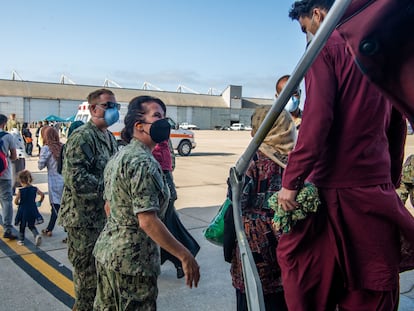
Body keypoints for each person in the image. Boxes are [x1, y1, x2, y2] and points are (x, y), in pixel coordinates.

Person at [276, 1, 414, 310]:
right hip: (374, 191)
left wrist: (291, 181)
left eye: (305, 28)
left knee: (309, 276)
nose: (307, 36)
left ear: (319, 14)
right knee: (373, 286)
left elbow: (316, 122)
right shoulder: (376, 47)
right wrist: (387, 182)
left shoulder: (325, 49)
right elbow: (396, 125)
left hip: (334, 192)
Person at [93, 95, 200, 310]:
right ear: (139, 126)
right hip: (133, 263)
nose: (164, 123)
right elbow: (147, 221)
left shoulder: (120, 155)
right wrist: (184, 255)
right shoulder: (143, 163)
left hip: (108, 253)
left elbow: (109, 207)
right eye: (158, 117)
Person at [223, 107, 296, 311]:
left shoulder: (252, 159)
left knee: (253, 298)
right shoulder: (297, 158)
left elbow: (236, 201)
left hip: (256, 244)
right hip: (289, 239)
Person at [57, 89, 119, 311]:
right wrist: (111, 192)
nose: (114, 111)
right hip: (83, 221)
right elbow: (76, 179)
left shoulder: (109, 138)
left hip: (102, 220)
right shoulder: (82, 137)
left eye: (116, 106)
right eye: (109, 106)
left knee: (103, 283)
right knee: (87, 284)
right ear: (93, 108)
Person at [153, 138, 200, 279]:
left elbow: (167, 160)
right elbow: (171, 160)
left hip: (163, 181)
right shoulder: (160, 134)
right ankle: (178, 258)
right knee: (167, 225)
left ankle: (181, 257)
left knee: (167, 227)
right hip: (165, 180)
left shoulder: (156, 136)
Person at [38, 126, 64, 237]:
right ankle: (50, 228)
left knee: (55, 206)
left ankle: (50, 229)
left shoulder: (46, 148)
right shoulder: (63, 146)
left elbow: (40, 166)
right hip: (65, 180)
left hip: (54, 181)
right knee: (63, 205)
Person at [14, 169, 44, 246]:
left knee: (22, 225)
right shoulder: (34, 189)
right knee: (31, 224)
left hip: (23, 210)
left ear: (21, 181)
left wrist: (18, 203)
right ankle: (36, 235)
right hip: (32, 208)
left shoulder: (21, 191)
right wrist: (40, 201)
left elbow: (16, 200)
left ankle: (21, 240)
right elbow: (42, 194)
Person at [0, 114, 18, 239]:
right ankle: (7, 229)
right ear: (4, 123)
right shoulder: (8, 136)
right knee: (6, 201)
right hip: (4, 173)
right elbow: (14, 156)